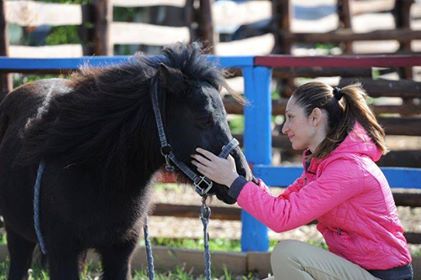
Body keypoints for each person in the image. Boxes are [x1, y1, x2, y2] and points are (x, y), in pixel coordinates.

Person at [191, 81, 413, 280]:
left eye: (291, 117)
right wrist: (240, 179)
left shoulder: (348, 170)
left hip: (382, 276)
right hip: (357, 270)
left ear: (315, 117)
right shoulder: (322, 165)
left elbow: (283, 218)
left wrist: (232, 181)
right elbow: (282, 204)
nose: (285, 127)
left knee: (287, 255)